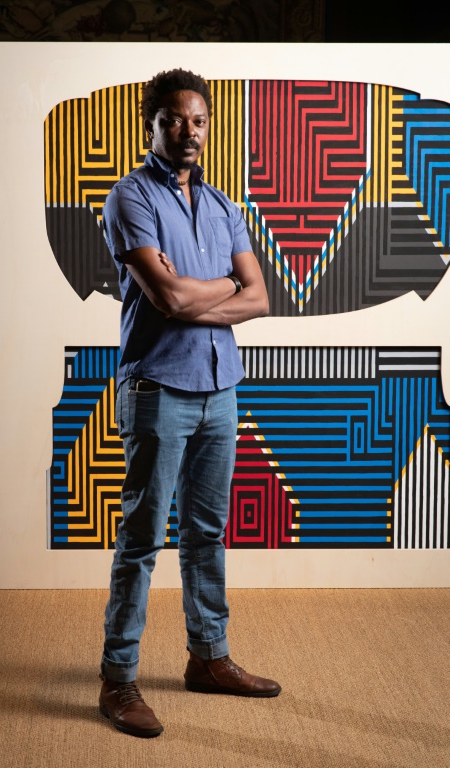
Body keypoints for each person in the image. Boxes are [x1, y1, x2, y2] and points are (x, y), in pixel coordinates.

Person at [99, 67, 280, 739]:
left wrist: (198, 293)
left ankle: (208, 658)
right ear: (151, 124)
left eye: (198, 121)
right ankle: (118, 678)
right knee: (142, 537)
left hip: (220, 389)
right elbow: (168, 296)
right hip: (157, 388)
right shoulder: (130, 197)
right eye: (173, 119)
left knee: (206, 532)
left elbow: (260, 298)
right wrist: (222, 286)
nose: (187, 131)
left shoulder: (225, 205)